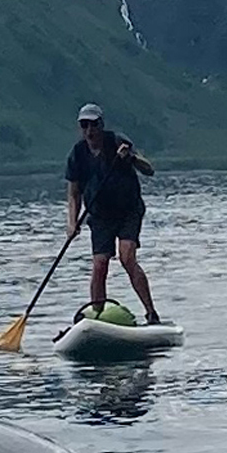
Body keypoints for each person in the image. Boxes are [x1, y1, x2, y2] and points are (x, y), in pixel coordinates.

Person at [63, 103, 161, 324]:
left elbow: (149, 170)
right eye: (84, 125)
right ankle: (97, 315)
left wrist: (131, 158)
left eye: (94, 125)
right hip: (100, 215)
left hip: (128, 210)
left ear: (101, 125)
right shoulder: (78, 154)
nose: (89, 130)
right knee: (100, 263)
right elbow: (73, 193)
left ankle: (151, 312)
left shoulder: (117, 141)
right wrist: (72, 223)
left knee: (127, 257)